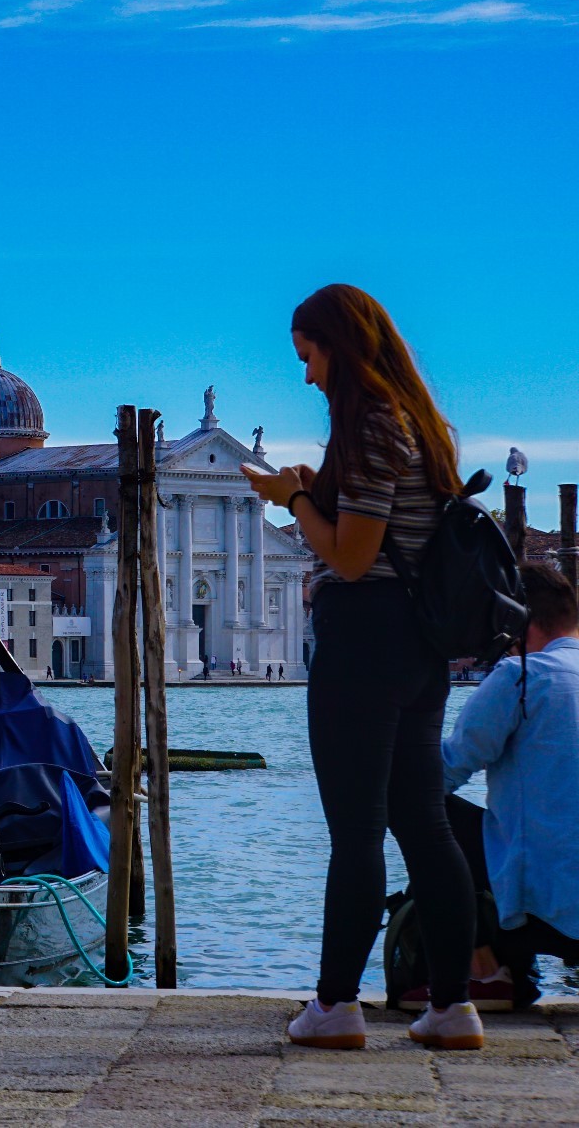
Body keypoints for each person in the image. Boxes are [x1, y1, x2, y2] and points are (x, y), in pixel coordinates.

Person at [246, 283, 481, 1052]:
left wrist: (292, 499)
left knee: (356, 831)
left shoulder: (371, 422)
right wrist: (316, 490)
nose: (307, 375)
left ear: (338, 349)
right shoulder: (418, 422)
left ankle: (336, 1004)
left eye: (308, 356)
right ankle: (452, 1007)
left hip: (364, 644)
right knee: (422, 822)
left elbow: (351, 556)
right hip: (419, 648)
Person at [432, 562, 579, 1009]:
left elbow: (449, 769)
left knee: (417, 805)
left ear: (514, 619)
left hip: (551, 909)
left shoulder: (521, 675)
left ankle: (488, 971)